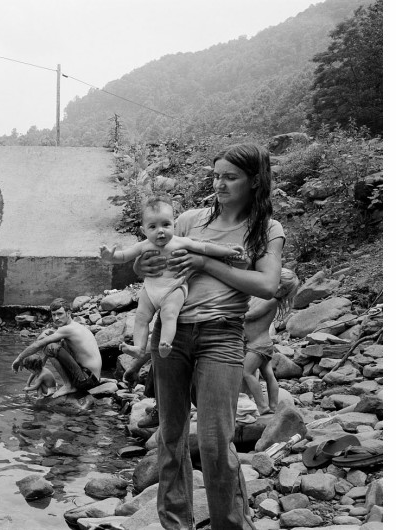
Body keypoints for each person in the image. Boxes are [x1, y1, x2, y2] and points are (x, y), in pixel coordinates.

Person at [134, 143, 283, 529]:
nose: (220, 184)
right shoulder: (188, 220)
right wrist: (141, 263)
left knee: (216, 443)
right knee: (171, 438)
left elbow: (267, 285)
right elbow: (155, 265)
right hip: (172, 334)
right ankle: (175, 524)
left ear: (254, 181)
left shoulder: (265, 228)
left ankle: (231, 525)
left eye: (230, 177)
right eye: (216, 176)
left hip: (222, 335)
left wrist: (204, 262)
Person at [100, 195, 244, 357]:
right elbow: (124, 256)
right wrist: (110, 258)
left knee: (169, 314)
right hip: (151, 289)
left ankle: (165, 342)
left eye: (166, 224)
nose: (160, 231)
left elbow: (204, 248)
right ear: (143, 230)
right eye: (153, 227)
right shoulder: (143, 246)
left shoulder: (180, 242)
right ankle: (139, 348)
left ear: (174, 225)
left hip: (174, 288)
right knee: (141, 317)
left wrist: (228, 251)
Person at [11, 298, 103, 399]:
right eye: (53, 314)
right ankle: (69, 384)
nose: (56, 318)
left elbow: (38, 345)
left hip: (86, 381)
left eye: (59, 314)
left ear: (68, 313)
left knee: (49, 347)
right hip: (93, 379)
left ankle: (68, 386)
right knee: (57, 342)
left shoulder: (67, 329)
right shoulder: (76, 326)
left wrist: (19, 358)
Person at [243, 268, 299, 415]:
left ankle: (262, 406)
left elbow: (250, 315)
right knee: (268, 375)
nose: (279, 287)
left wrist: (232, 312)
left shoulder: (271, 300)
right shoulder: (261, 295)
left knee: (246, 372)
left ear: (286, 293)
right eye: (278, 282)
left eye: (284, 288)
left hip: (258, 346)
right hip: (263, 345)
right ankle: (274, 406)